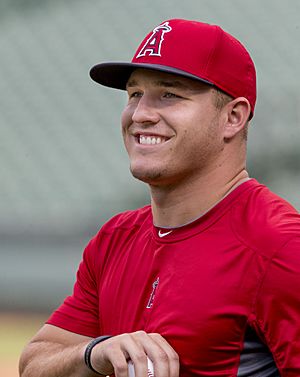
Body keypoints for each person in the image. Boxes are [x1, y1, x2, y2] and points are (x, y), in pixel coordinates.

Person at [19, 18, 300, 377]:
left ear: (233, 117)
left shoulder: (281, 247)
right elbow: (35, 363)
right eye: (134, 94)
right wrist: (94, 352)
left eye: (170, 94)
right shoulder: (115, 238)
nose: (141, 114)